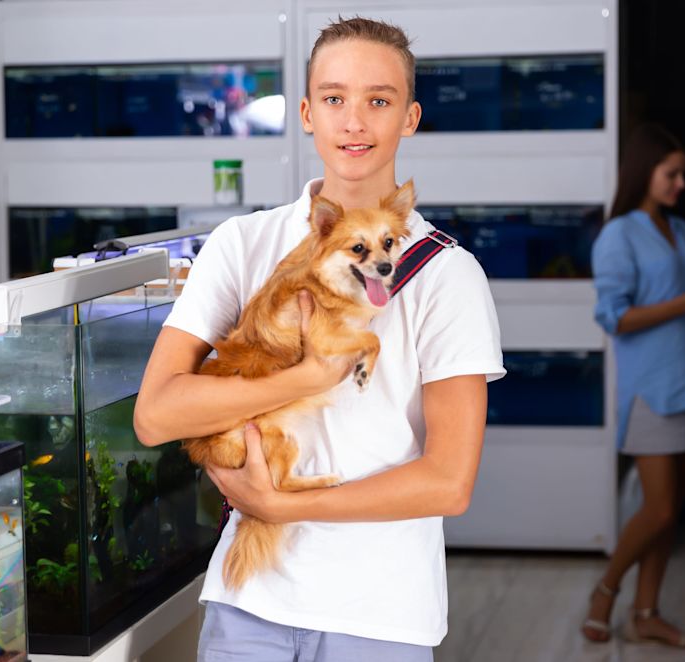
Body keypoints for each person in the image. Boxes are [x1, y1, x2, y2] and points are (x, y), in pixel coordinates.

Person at [134, 16, 504, 662]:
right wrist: (304, 379)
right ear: (306, 113)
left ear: (410, 118)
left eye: (378, 101)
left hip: (382, 617)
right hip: (249, 602)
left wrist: (280, 504)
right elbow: (155, 414)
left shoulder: (449, 274)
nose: (354, 121)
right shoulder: (242, 245)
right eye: (334, 99)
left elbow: (450, 482)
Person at [582, 123, 685, 648]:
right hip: (652, 391)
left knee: (670, 512)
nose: (681, 184)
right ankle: (605, 592)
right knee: (655, 509)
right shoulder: (619, 235)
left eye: (683, 174)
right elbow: (615, 318)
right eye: (671, 173)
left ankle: (646, 612)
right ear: (644, 172)